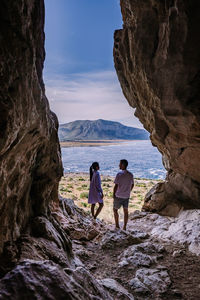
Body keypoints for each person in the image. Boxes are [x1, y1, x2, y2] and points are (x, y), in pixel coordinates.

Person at [113, 159, 134, 231]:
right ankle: (124, 227)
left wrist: (114, 195)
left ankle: (117, 225)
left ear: (123, 165)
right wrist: (128, 191)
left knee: (115, 210)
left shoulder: (119, 174)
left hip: (118, 195)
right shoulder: (130, 174)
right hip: (126, 196)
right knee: (126, 211)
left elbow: (116, 186)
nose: (119, 165)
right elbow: (132, 184)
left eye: (120, 164)